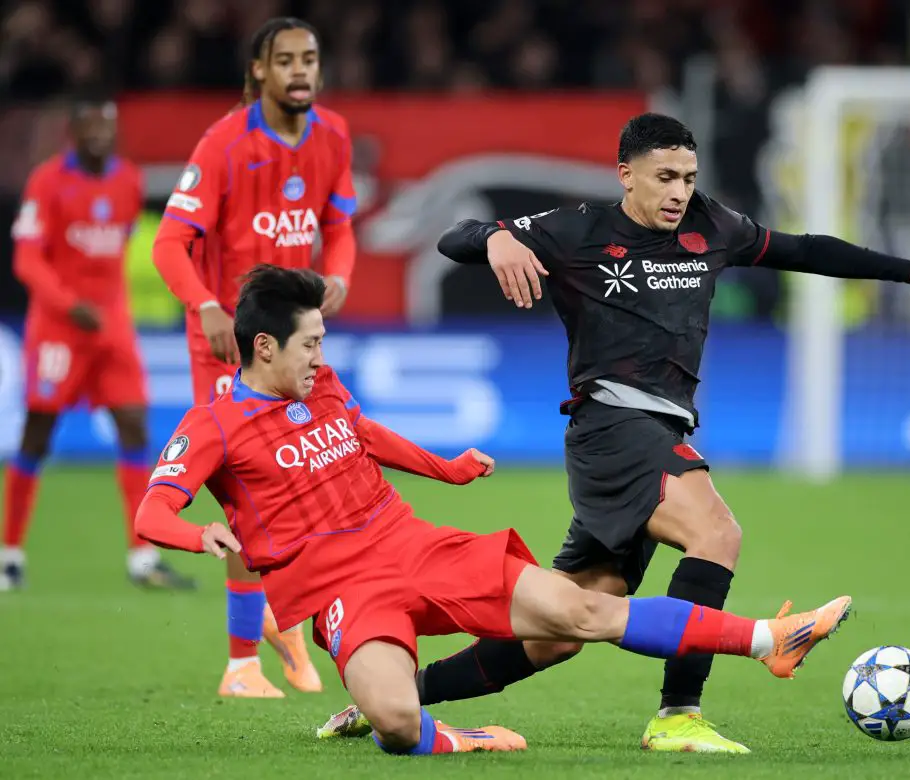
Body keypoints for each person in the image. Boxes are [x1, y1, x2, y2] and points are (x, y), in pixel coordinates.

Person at [318, 112, 910, 752]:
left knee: (563, 627)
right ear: (627, 175)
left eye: (689, 178)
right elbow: (453, 235)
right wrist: (497, 237)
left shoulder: (713, 227)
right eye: (665, 178)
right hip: (612, 425)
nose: (679, 193)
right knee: (716, 532)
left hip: (649, 430)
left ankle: (395, 696)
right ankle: (678, 715)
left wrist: (907, 272)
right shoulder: (577, 228)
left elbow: (802, 249)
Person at [133, 264, 854, 756]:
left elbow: (363, 433)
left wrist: (445, 470)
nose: (322, 356)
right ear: (264, 346)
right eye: (311, 343)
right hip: (339, 592)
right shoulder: (212, 426)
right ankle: (457, 738)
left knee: (580, 613)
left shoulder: (317, 386)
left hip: (410, 544)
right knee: (393, 722)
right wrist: (200, 535)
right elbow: (151, 514)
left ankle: (770, 639)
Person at [151, 16, 357, 698]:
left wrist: (343, 275)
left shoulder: (332, 134)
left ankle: (282, 618)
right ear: (260, 70)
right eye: (287, 59)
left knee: (311, 481)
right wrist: (206, 305)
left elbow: (338, 223)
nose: (301, 70)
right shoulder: (223, 144)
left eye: (311, 58)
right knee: (245, 495)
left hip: (294, 343)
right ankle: (243, 664)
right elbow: (167, 245)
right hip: (227, 345)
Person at [1, 88, 194, 592]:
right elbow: (26, 260)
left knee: (133, 427)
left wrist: (103, 308)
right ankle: (10, 553)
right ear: (75, 130)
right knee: (37, 436)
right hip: (59, 331)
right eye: (90, 125)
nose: (100, 134)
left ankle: (142, 557)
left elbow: (120, 245)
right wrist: (70, 305)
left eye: (107, 125)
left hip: (112, 330)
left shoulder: (128, 180)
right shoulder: (48, 182)